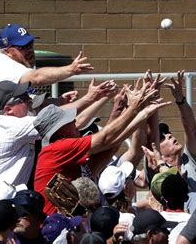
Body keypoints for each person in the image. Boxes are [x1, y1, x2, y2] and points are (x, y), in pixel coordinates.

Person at [0, 23, 94, 157]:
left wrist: (60, 100)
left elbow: (32, 103)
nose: (30, 49)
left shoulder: (14, 68)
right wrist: (71, 69)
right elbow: (36, 77)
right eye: (23, 47)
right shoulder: (5, 67)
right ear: (7, 51)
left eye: (30, 44)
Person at [34, 82, 171, 215]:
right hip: (56, 228)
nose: (75, 121)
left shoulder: (65, 156)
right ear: (61, 130)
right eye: (69, 120)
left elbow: (110, 144)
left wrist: (125, 109)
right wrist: (136, 109)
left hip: (72, 226)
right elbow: (106, 138)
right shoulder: (57, 149)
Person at [143, 71, 196, 198]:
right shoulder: (155, 168)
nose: (169, 135)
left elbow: (192, 130)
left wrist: (180, 100)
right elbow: (150, 136)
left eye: (168, 133)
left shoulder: (190, 161)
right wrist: (152, 100)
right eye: (162, 137)